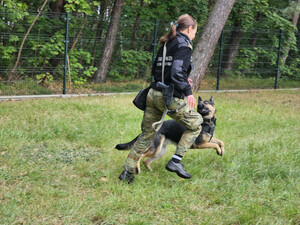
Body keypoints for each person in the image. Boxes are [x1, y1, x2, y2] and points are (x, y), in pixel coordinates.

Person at [119, 14, 203, 183]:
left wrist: (178, 78)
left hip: (153, 93)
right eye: (195, 32)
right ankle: (176, 161)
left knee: (147, 135)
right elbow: (177, 72)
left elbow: (159, 69)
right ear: (189, 29)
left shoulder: (167, 43)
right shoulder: (184, 45)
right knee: (196, 124)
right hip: (169, 97)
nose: (194, 35)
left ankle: (127, 172)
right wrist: (188, 92)